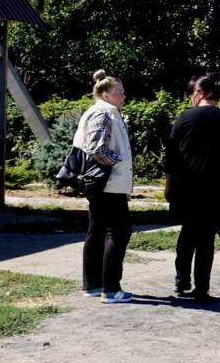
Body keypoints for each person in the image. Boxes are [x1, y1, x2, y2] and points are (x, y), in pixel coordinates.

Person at [165, 73, 220, 303]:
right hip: (215, 189)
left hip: (187, 188)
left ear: (200, 93)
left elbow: (170, 157)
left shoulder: (183, 119)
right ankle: (202, 288)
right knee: (206, 240)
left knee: (187, 236)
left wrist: (169, 186)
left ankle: (181, 282)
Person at [77, 70, 134, 303]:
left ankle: (93, 285)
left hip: (104, 184)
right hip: (108, 184)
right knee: (119, 233)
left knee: (98, 230)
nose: (123, 96)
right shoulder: (104, 112)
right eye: (119, 92)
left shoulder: (105, 111)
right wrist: (118, 164)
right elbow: (96, 148)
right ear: (105, 94)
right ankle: (110, 289)